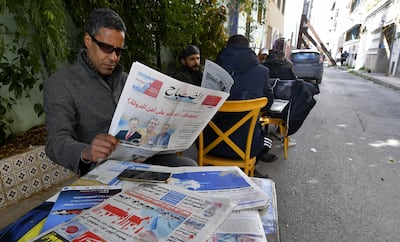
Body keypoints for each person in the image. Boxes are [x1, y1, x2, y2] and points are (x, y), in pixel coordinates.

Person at [44, 8, 196, 175]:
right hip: (103, 168)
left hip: (145, 159)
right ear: (88, 40)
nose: (113, 57)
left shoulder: (130, 80)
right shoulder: (61, 83)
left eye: (119, 51)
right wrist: (88, 152)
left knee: (188, 168)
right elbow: (55, 142)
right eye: (106, 48)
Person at [202, 34, 277, 162]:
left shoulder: (210, 71)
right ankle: (250, 170)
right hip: (246, 146)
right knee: (266, 139)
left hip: (208, 145)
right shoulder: (262, 72)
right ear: (248, 49)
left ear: (227, 48)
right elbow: (268, 103)